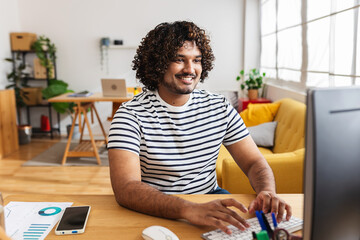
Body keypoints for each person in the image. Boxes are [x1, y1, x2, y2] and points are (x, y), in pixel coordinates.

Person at [108, 21, 291, 234]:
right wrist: (188, 209)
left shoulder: (219, 107)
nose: (190, 69)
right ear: (158, 64)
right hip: (155, 209)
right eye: (179, 59)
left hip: (211, 199)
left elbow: (254, 162)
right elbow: (126, 189)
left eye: (196, 60)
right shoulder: (130, 115)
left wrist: (267, 192)